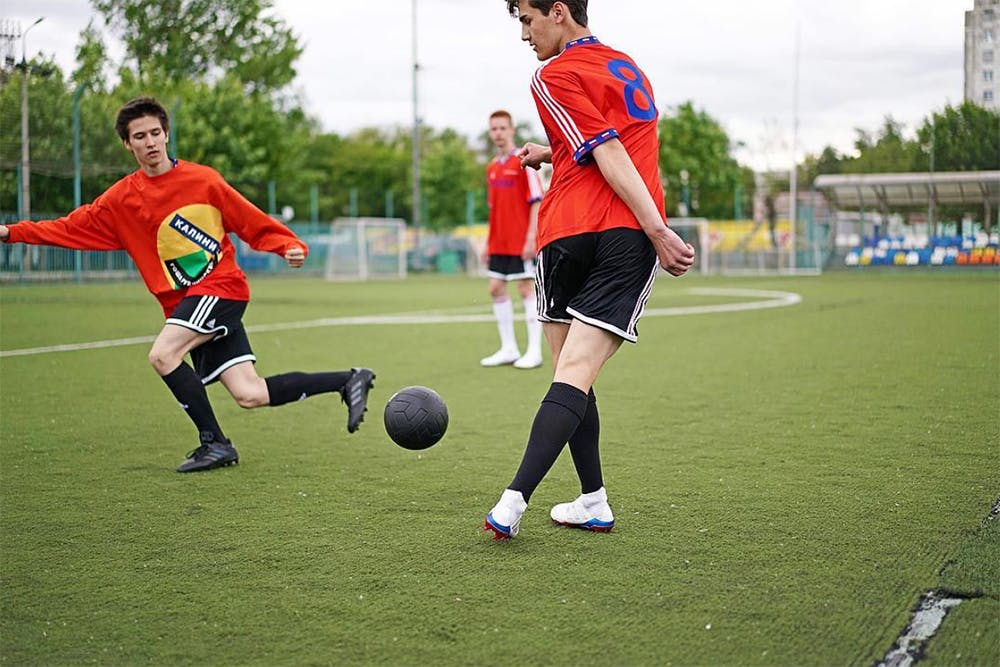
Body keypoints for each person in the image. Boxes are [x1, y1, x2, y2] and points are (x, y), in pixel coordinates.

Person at [0, 97, 376, 473]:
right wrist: (9, 233)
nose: (150, 142)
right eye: (139, 136)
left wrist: (289, 245)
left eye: (155, 133)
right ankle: (348, 380)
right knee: (250, 393)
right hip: (190, 304)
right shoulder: (121, 200)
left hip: (222, 288)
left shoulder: (204, 180)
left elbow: (250, 221)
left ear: (166, 134)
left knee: (163, 355)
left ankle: (214, 443)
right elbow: (68, 227)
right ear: (127, 145)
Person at [484, 0, 696, 540]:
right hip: (618, 237)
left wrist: (657, 229)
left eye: (527, 21)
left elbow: (609, 155)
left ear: (559, 12)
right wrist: (553, 151)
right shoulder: (629, 68)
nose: (525, 36)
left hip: (570, 234)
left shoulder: (552, 74)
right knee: (574, 376)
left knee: (570, 373)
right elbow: (609, 146)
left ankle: (513, 502)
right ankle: (592, 500)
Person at [481, 109, 545, 370]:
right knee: (495, 288)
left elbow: (536, 201)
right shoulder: (492, 168)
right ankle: (508, 348)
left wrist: (531, 238)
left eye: (502, 128)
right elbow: (493, 209)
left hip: (522, 240)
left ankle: (534, 351)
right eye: (494, 128)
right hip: (499, 241)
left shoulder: (524, 162)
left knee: (525, 289)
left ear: (512, 130)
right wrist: (488, 242)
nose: (498, 133)